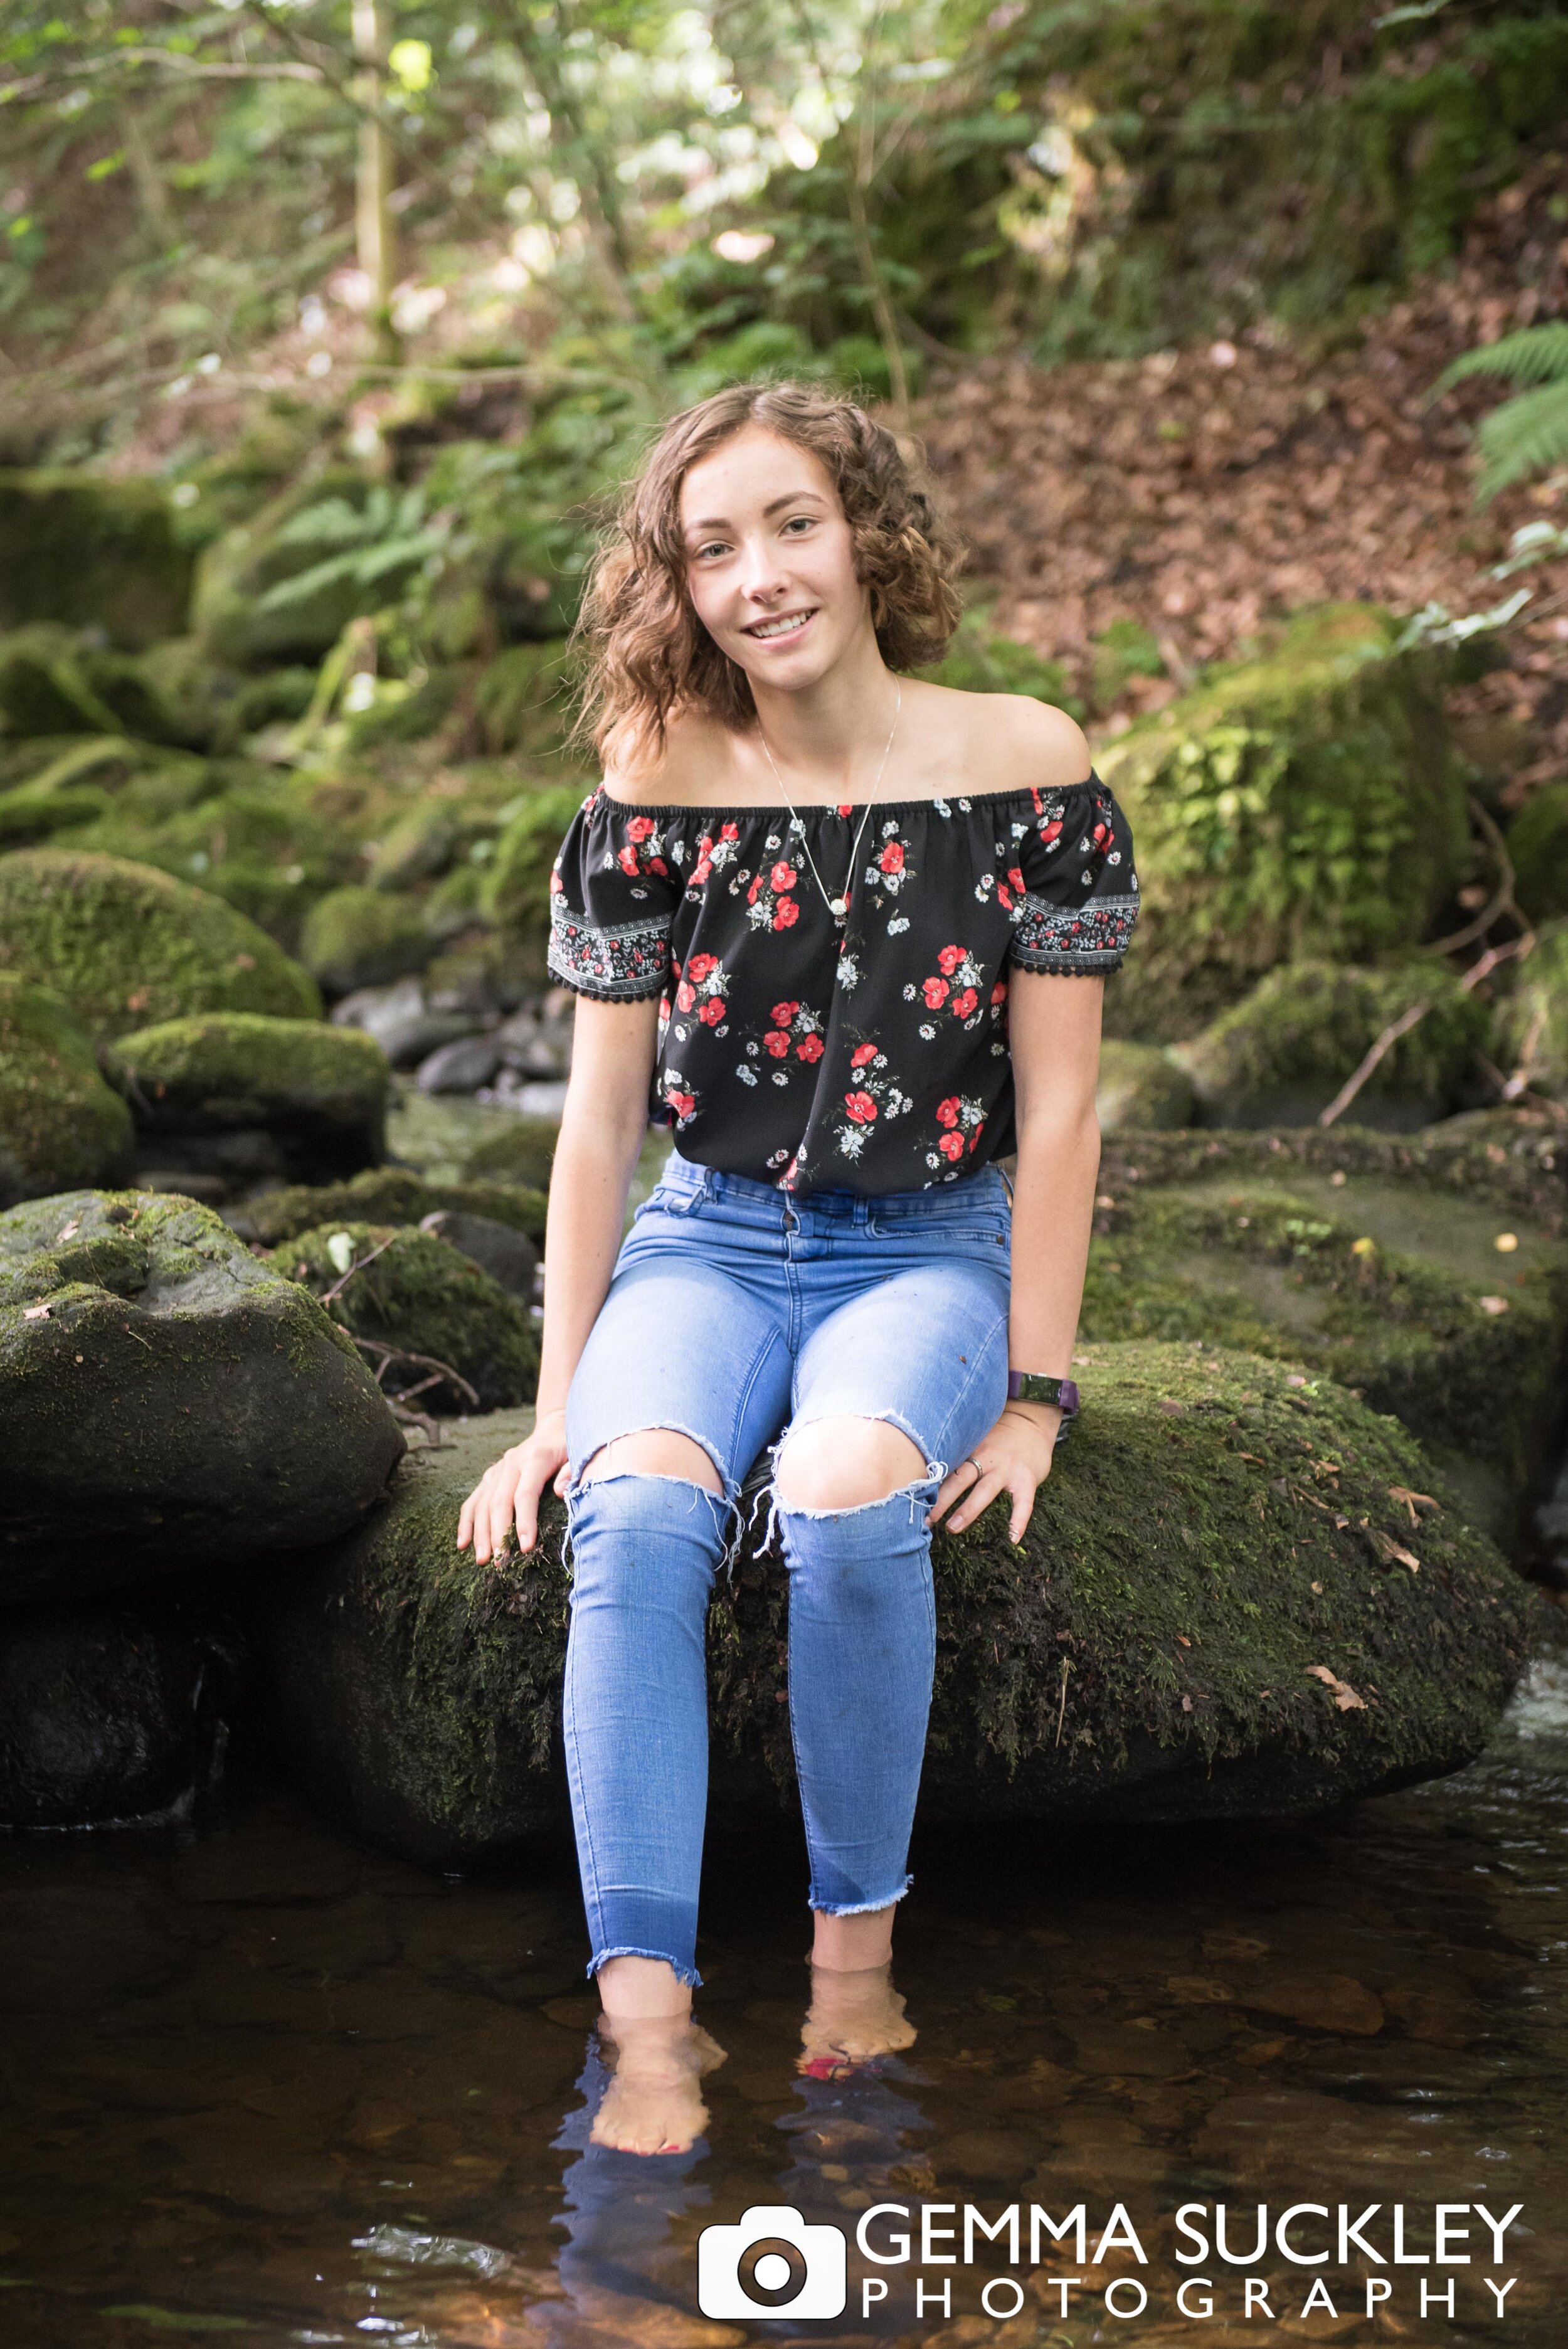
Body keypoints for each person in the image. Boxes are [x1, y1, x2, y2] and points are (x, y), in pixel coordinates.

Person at [456, 379, 1138, 2156]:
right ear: (673, 588)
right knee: (640, 1508)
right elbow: (599, 1127)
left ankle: (849, 1973)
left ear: (867, 536)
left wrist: (1038, 1395)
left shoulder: (1026, 763)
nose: (758, 575)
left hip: (925, 1246)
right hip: (705, 1238)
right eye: (710, 548)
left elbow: (1058, 1117)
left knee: (842, 1497)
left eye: (791, 525)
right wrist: (552, 1412)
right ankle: (651, 2021)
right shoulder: (656, 784)